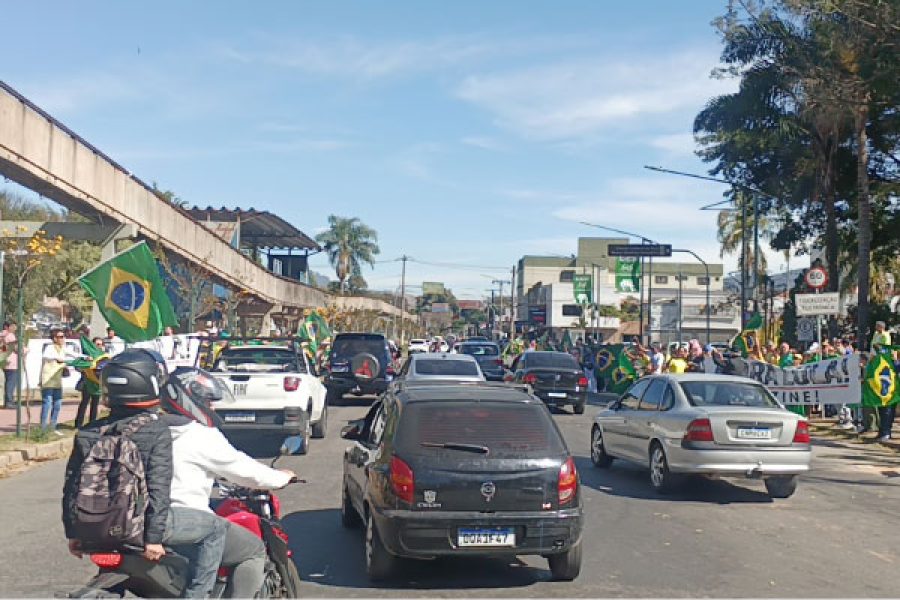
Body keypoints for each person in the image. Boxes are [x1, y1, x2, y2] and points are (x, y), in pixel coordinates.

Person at [159, 367, 295, 598]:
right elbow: (242, 469)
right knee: (253, 550)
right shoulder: (198, 434)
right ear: (189, 398)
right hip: (185, 521)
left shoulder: (149, 428)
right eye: (207, 401)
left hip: (136, 522)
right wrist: (281, 478)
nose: (212, 407)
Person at [64, 349, 173, 565]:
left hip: (91, 530)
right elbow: (158, 487)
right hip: (136, 530)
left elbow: (71, 486)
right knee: (214, 531)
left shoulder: (88, 432)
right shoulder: (156, 430)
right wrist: (153, 539)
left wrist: (73, 533)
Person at [41, 329, 76, 433]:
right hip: (48, 380)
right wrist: (57, 358)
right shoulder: (50, 347)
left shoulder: (63, 348)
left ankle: (52, 426)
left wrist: (86, 357)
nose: (63, 339)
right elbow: (45, 356)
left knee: (57, 404)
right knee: (47, 403)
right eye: (60, 337)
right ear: (54, 338)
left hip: (57, 381)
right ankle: (43, 428)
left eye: (63, 336)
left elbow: (74, 354)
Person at [74, 337, 106, 429]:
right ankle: (78, 424)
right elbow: (78, 367)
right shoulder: (86, 356)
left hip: (97, 384)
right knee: (84, 403)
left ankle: (92, 423)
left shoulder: (103, 356)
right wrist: (86, 366)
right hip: (87, 383)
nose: (99, 346)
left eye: (100, 344)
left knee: (95, 404)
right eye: (97, 344)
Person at [2, 322, 21, 409]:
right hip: (12, 363)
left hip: (5, 361)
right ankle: (9, 402)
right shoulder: (10, 336)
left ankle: (7, 401)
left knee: (7, 383)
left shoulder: (2, 335)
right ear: (7, 327)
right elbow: (16, 348)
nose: (15, 328)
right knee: (11, 383)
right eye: (13, 326)